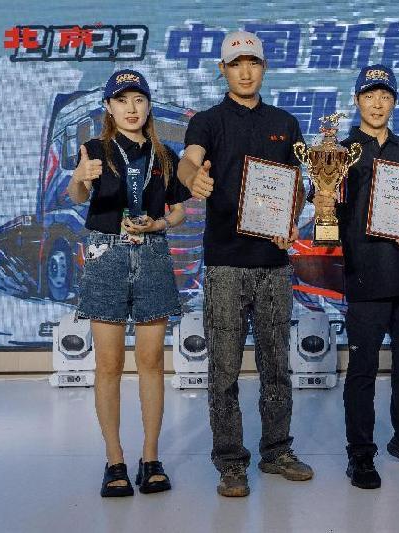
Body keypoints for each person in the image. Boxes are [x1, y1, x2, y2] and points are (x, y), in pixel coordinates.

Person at [177, 31, 311, 498]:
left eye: (253, 62)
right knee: (224, 369)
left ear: (264, 68)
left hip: (274, 262)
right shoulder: (207, 122)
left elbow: (298, 186)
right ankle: (230, 461)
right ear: (223, 70)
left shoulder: (285, 123)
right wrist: (193, 181)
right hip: (225, 264)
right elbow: (188, 162)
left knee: (277, 365)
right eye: (236, 64)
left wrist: (291, 221)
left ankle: (277, 450)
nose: (245, 72)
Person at [312, 65, 399, 490]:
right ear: (357, 101)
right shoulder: (339, 151)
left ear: (394, 101)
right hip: (365, 273)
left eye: (385, 95)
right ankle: (360, 452)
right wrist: (324, 200)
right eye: (369, 95)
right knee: (363, 369)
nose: (377, 103)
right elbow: (324, 207)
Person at [68, 69, 190, 497]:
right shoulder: (94, 149)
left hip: (153, 254)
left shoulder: (166, 154)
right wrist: (80, 176)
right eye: (122, 101)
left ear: (148, 105)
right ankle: (114, 460)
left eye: (138, 99)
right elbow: (78, 196)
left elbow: (179, 210)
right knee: (108, 364)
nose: (131, 108)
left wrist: (160, 223)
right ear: (109, 107)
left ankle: (150, 458)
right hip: (107, 255)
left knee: (152, 361)